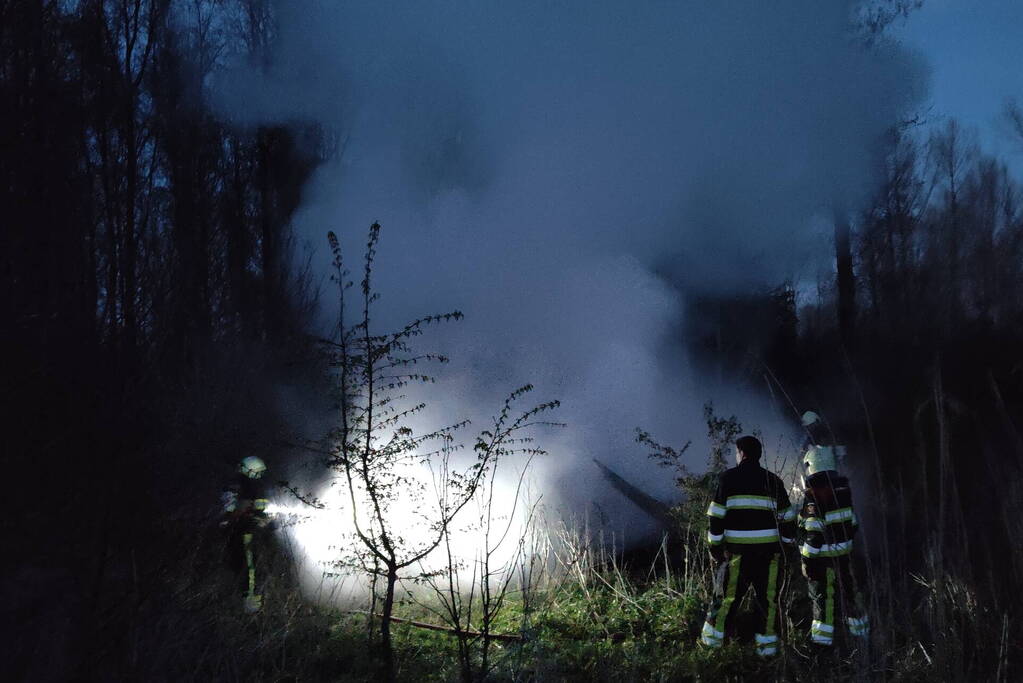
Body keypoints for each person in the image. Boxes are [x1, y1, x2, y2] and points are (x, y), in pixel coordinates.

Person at [700, 435, 797, 656]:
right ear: (759, 455)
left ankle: (712, 651)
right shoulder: (774, 481)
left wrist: (715, 547)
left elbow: (716, 517)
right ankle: (768, 652)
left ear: (741, 453)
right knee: (768, 602)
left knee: (726, 599)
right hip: (769, 556)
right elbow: (788, 518)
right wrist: (788, 547)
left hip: (737, 555)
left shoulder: (728, 479)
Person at [798, 411, 869, 647]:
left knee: (822, 598)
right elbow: (854, 523)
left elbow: (813, 532)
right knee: (851, 594)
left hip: (822, 558)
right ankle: (862, 639)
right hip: (845, 554)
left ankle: (822, 646)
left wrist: (807, 560)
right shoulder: (843, 489)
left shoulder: (813, 493)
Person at [221, 455, 271, 613]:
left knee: (240, 564)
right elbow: (253, 510)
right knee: (249, 566)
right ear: (252, 471)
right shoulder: (246, 487)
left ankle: (243, 600)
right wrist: (260, 519)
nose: (259, 477)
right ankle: (251, 603)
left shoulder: (234, 485)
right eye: (258, 473)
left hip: (237, 532)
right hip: (244, 532)